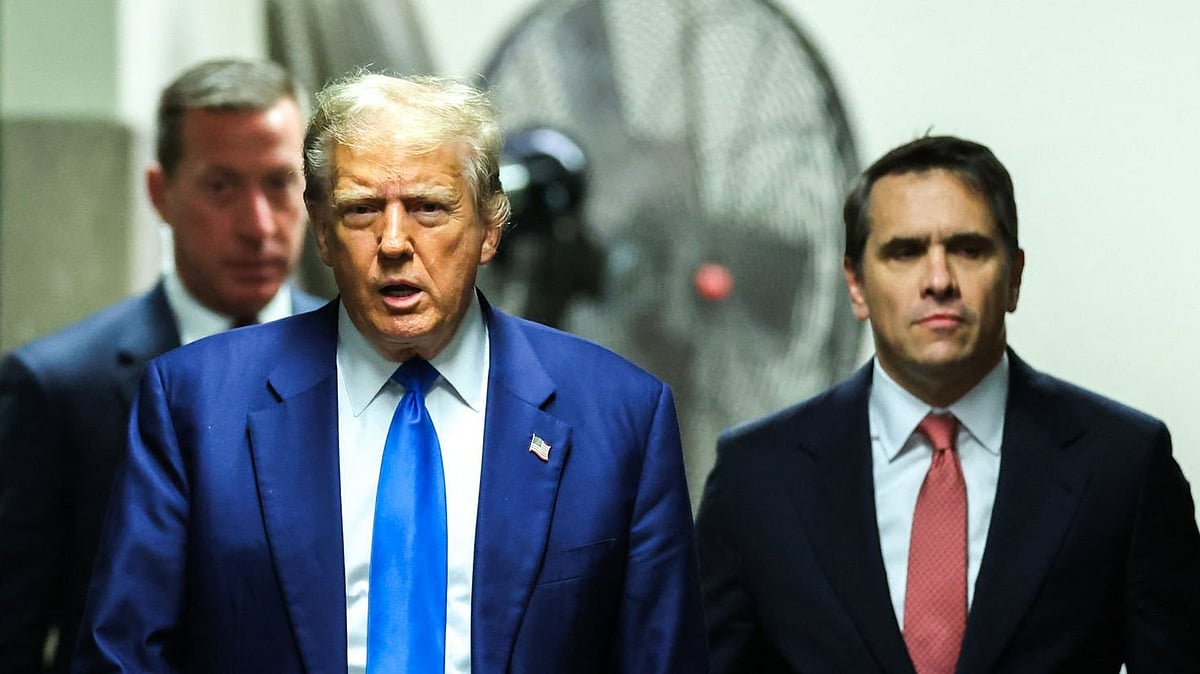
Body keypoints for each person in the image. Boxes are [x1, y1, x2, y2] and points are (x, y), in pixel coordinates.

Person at [72, 72, 706, 673]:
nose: (395, 241)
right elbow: (123, 655)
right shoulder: (195, 404)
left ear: (490, 228)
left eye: (429, 208)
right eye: (361, 210)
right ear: (320, 231)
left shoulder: (621, 418)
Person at [696, 135, 1200, 673]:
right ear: (857, 286)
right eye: (905, 252)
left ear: (1014, 277)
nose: (939, 281)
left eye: (968, 248)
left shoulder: (1122, 464)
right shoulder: (757, 476)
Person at [0, 58, 323, 673]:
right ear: (160, 194)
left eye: (280, 183)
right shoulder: (62, 387)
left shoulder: (365, 358)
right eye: (222, 188)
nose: (258, 226)